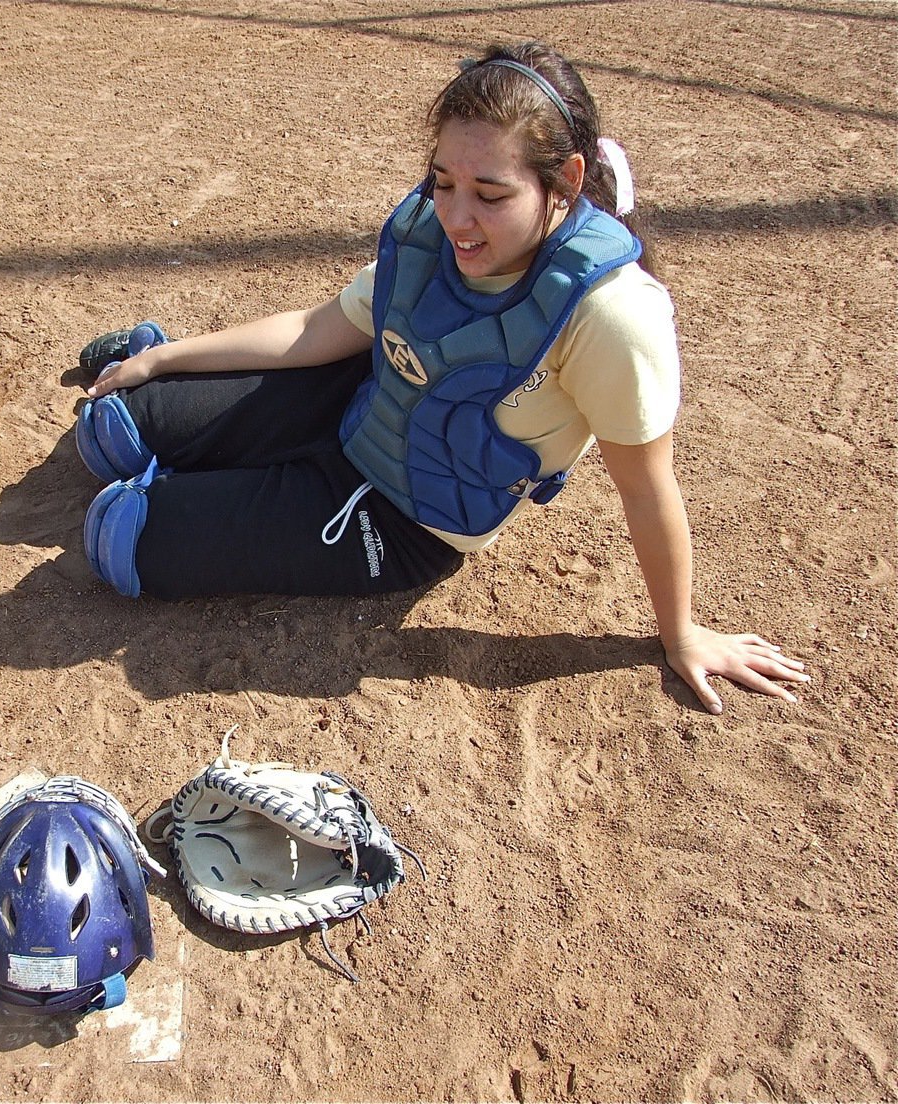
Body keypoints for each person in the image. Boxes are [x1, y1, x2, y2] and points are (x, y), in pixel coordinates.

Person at [72, 40, 809, 715]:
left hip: (409, 513)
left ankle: (202, 479)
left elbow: (648, 489)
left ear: (566, 182)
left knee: (120, 535)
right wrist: (165, 357)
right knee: (114, 426)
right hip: (364, 401)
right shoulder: (431, 231)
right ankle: (175, 420)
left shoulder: (610, 317)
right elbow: (318, 329)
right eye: (444, 181)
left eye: (491, 194)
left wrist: (680, 634)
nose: (458, 216)